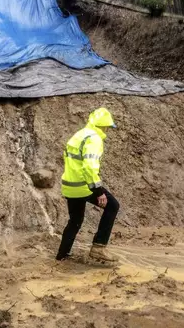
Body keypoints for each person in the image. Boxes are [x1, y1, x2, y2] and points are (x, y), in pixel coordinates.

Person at [56, 108, 120, 262]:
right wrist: (98, 191)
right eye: (107, 128)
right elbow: (89, 167)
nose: (107, 130)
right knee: (113, 206)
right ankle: (98, 247)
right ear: (104, 126)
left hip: (69, 185)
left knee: (75, 220)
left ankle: (61, 255)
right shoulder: (94, 139)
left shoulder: (79, 134)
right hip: (83, 186)